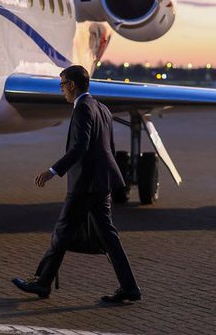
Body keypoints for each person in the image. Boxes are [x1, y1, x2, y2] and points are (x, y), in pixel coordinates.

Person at [12, 65, 141, 303]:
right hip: (101, 182)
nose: (62, 91)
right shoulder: (101, 107)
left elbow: (80, 147)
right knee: (107, 237)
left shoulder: (82, 108)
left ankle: (42, 283)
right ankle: (129, 287)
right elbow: (108, 148)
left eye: (62, 85)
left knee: (63, 232)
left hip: (85, 184)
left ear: (72, 85)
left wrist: (53, 171)